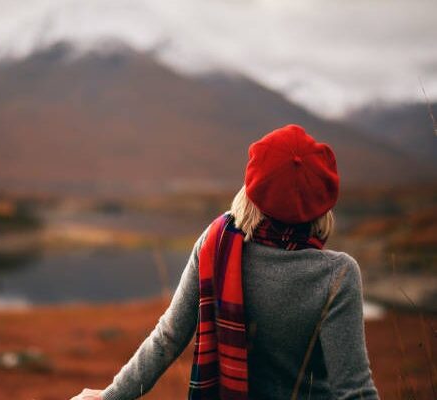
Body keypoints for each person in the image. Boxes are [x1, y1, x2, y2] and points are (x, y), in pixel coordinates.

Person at [70, 124, 380, 400]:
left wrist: (110, 397)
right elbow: (354, 391)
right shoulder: (338, 274)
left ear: (252, 188)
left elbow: (168, 337)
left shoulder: (216, 243)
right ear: (321, 202)